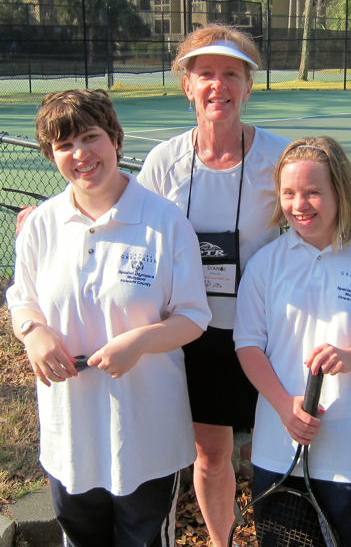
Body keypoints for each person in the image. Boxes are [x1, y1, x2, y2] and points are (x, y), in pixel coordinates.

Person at [137, 23, 351, 547]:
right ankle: (225, 541)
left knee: (284, 439)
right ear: (186, 85)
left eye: (231, 74)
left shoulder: (277, 155)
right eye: (205, 74)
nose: (217, 86)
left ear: (248, 85)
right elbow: (131, 223)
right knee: (212, 455)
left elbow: (329, 218)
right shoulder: (163, 162)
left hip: (267, 335)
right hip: (195, 334)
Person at [6, 89, 212, 547]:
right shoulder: (41, 225)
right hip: (70, 431)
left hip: (146, 434)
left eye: (89, 137)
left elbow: (193, 317)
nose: (80, 154)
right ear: (51, 154)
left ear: (114, 138)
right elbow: (23, 298)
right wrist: (33, 332)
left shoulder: (165, 221)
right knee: (81, 538)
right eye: (64, 145)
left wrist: (138, 343)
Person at [233, 136, 351, 547]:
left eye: (313, 192)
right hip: (279, 451)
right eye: (289, 193)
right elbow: (248, 344)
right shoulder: (266, 263)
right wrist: (286, 407)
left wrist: (350, 357)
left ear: (341, 191)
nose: (300, 204)